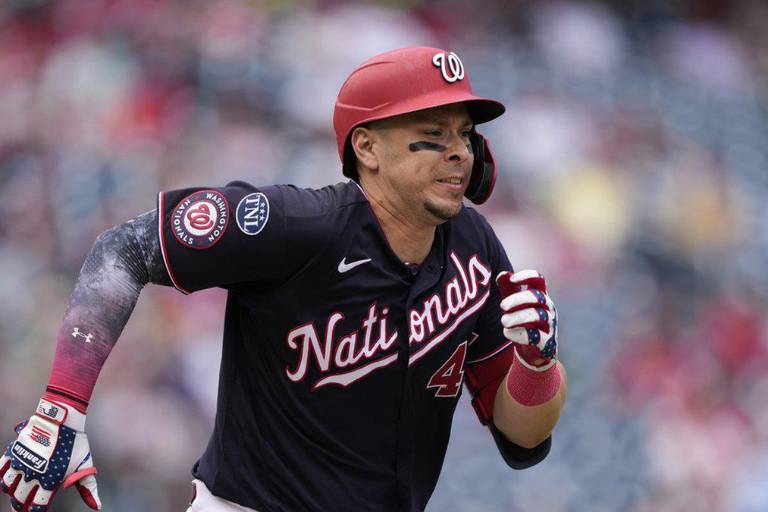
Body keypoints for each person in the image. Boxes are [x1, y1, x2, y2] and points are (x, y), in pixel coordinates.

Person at [0, 46, 566, 512]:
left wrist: (537, 366)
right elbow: (125, 249)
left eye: (465, 134)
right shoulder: (297, 225)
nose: (460, 153)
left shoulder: (475, 246)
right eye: (434, 133)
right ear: (367, 146)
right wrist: (61, 409)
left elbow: (523, 437)